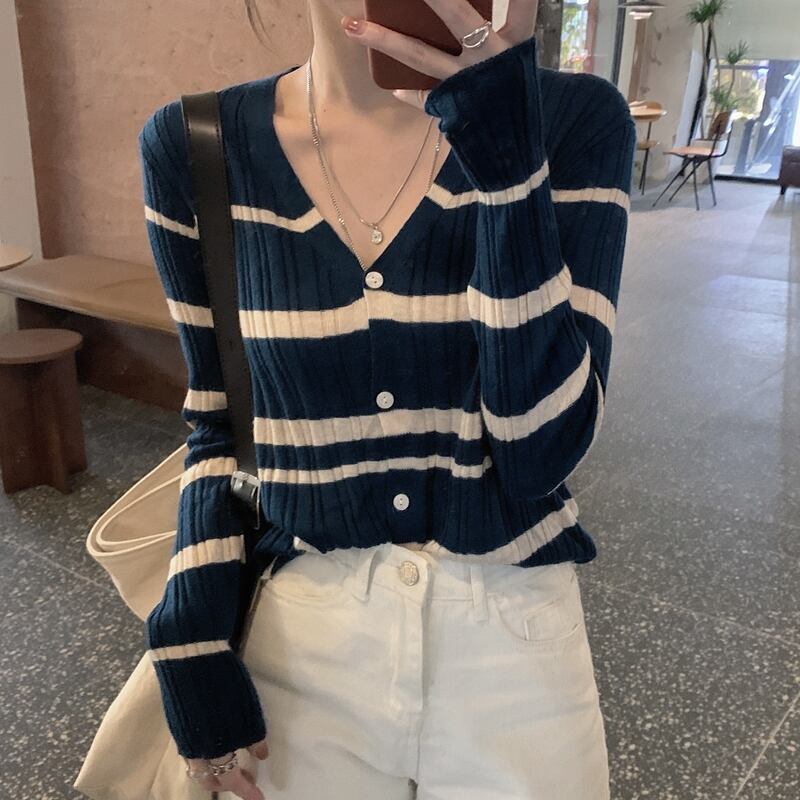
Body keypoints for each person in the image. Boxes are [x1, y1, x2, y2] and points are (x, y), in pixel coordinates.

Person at [137, 0, 636, 798]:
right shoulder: (197, 145)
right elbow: (221, 422)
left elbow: (541, 451)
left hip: (514, 650)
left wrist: (509, 170)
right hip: (303, 644)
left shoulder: (574, 121)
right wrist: (189, 633)